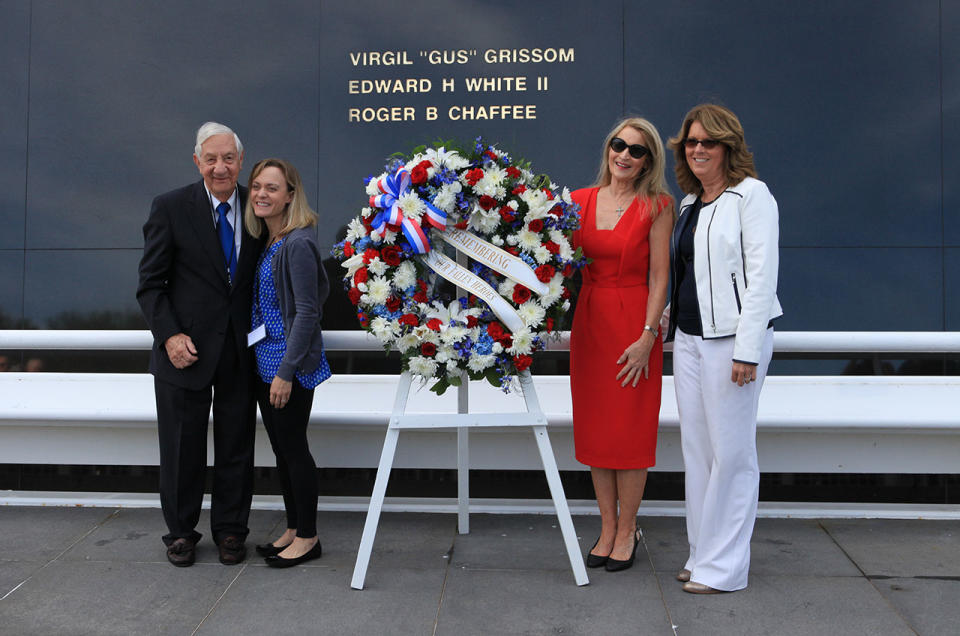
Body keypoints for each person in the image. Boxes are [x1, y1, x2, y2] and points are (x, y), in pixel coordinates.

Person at [665, 104, 783, 593]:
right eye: (691, 142)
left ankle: (726, 569)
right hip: (690, 341)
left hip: (733, 343)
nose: (697, 150)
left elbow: (761, 279)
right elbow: (688, 277)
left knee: (732, 455)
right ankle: (702, 554)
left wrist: (747, 350)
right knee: (698, 452)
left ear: (728, 147)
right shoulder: (692, 203)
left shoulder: (751, 196)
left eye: (707, 142)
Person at [137, 122, 263, 567]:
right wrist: (169, 335)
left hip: (238, 352)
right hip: (182, 351)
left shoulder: (259, 207)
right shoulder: (170, 207)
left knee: (236, 447)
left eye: (228, 158)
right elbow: (151, 286)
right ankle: (180, 533)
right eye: (210, 158)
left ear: (241, 160)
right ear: (197, 162)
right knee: (180, 449)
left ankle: (231, 531)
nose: (220, 167)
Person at [570, 117, 674, 572]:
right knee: (597, 430)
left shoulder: (658, 205)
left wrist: (647, 337)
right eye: (619, 145)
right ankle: (606, 527)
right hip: (590, 323)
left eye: (636, 151)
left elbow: (659, 277)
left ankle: (628, 529)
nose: (624, 156)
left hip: (634, 325)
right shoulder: (577, 201)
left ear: (649, 161)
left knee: (629, 432)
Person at [244, 159, 330, 568]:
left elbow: (308, 312)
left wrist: (285, 372)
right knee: (281, 449)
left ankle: (309, 537)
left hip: (288, 366)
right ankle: (294, 528)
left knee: (295, 450)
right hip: (267, 361)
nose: (261, 194)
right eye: (257, 186)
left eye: (272, 188)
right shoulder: (271, 239)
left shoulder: (297, 243)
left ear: (290, 196)